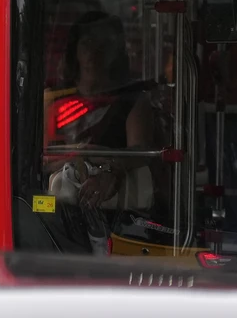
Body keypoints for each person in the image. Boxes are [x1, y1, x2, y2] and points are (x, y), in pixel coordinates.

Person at [46, 12, 163, 208]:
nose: (94, 51)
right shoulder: (54, 99)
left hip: (117, 209)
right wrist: (79, 158)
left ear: (115, 50)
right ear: (74, 50)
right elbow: (40, 160)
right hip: (55, 208)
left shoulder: (131, 99)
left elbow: (140, 152)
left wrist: (110, 170)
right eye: (87, 43)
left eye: (103, 43)